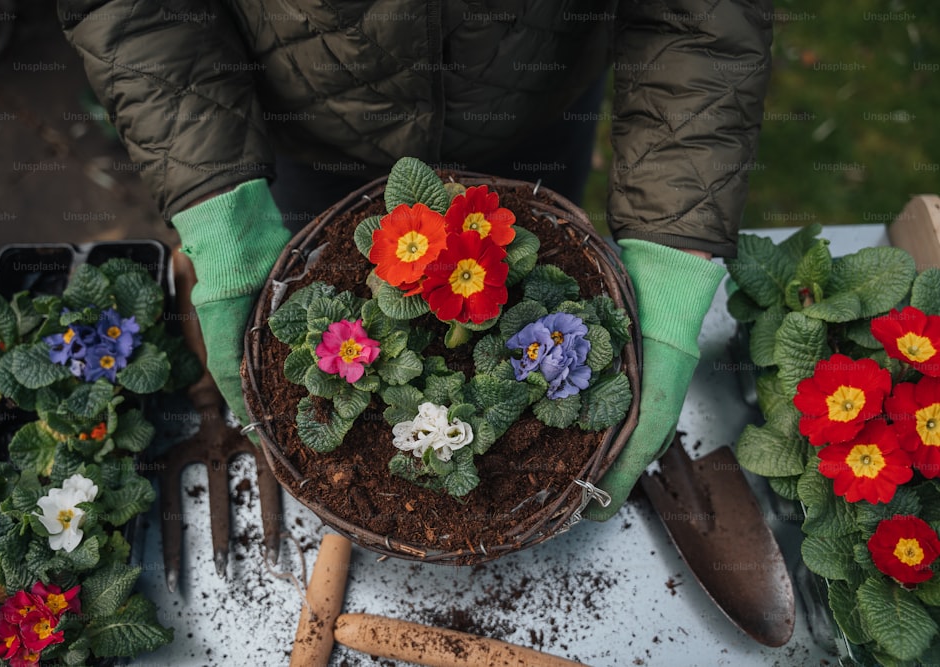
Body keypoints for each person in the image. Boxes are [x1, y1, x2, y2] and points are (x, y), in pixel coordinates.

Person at [59, 0, 773, 521]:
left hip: (534, 84)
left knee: (532, 248)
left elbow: (705, 18)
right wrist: (215, 194)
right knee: (322, 272)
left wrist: (674, 234)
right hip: (302, 114)